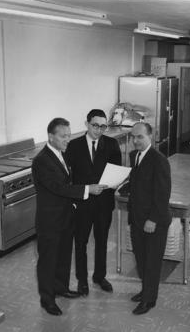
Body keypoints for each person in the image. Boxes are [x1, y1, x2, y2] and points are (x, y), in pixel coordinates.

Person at [32, 118, 107, 316]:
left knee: (64, 255)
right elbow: (58, 187)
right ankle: (47, 299)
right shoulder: (42, 160)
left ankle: (61, 288)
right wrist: (87, 189)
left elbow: (65, 183)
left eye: (69, 135)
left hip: (65, 216)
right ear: (51, 136)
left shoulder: (60, 154)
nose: (68, 139)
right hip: (50, 220)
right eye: (63, 136)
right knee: (48, 260)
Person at [66, 109, 122, 296]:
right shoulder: (73, 146)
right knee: (80, 242)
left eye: (103, 126)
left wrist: (110, 186)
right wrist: (74, 199)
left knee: (102, 241)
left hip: (104, 203)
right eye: (95, 125)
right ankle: (82, 280)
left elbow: (117, 172)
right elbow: (67, 177)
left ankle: (100, 276)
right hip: (81, 204)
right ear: (86, 124)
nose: (99, 130)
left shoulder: (112, 144)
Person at [128, 122, 171, 315]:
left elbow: (162, 194)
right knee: (141, 258)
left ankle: (149, 300)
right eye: (133, 137)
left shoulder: (159, 160)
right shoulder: (134, 156)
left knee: (152, 262)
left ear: (150, 137)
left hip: (153, 221)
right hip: (137, 218)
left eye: (140, 137)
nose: (135, 141)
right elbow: (139, 184)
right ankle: (146, 290)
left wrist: (152, 219)